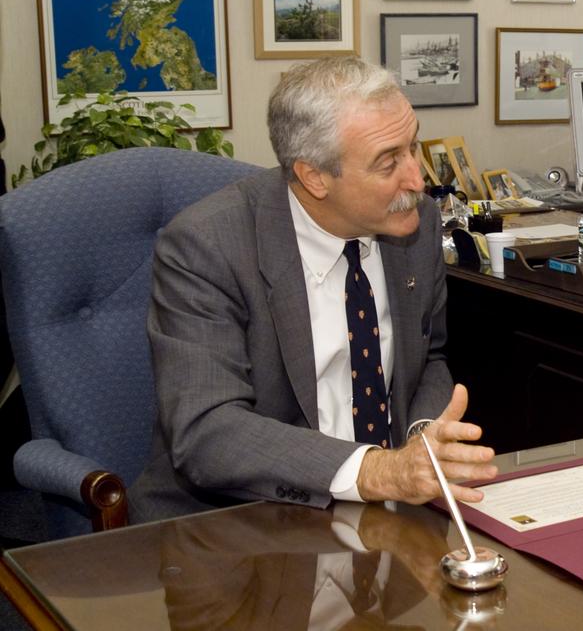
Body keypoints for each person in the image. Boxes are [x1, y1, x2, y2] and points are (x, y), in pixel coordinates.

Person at [130, 57, 496, 522]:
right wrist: (374, 471)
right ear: (314, 177)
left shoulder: (415, 223)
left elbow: (429, 358)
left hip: (386, 514)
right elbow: (206, 431)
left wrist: (424, 440)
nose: (417, 180)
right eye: (389, 162)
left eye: (413, 146)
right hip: (240, 522)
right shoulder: (207, 246)